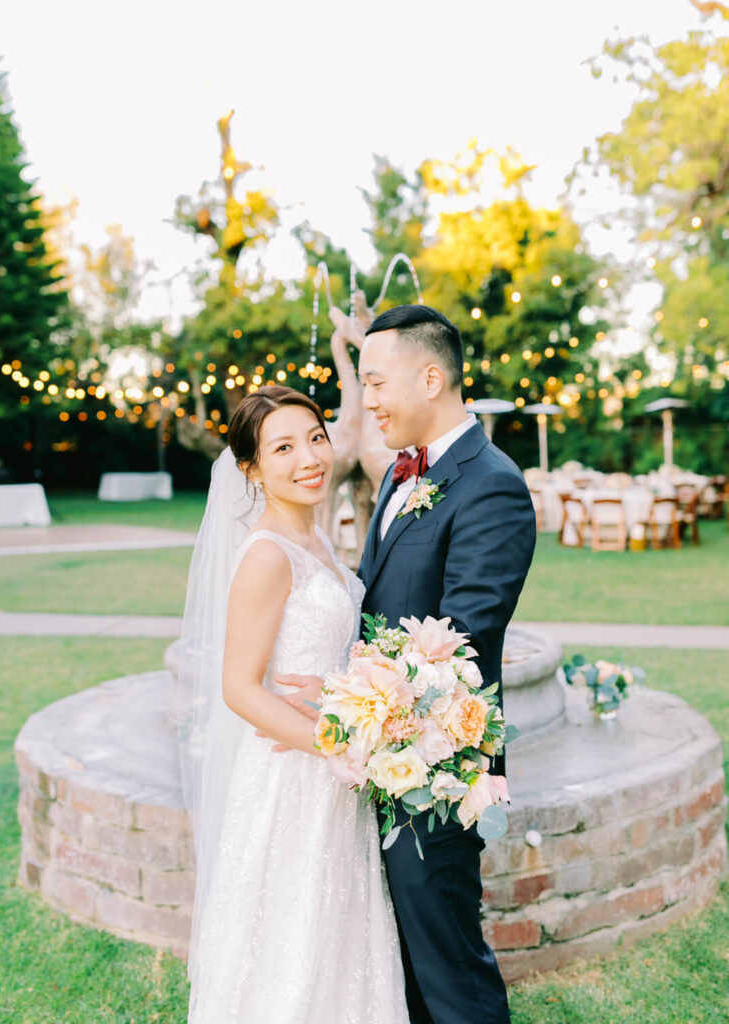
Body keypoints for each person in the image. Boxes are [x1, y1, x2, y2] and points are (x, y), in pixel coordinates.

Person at [279, 305, 536, 1024]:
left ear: (433, 377)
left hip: (440, 765)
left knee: (447, 963)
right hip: (383, 753)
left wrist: (341, 697)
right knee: (399, 963)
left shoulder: (493, 485)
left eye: (376, 383)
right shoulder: (399, 472)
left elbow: (459, 647)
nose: (367, 402)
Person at [177, 385, 409, 1024]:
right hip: (294, 777)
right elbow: (240, 687)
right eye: (283, 447)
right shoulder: (266, 555)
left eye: (314, 437)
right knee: (290, 936)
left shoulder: (320, 544)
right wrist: (340, 743)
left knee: (340, 926)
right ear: (251, 469)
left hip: (339, 776)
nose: (308, 457)